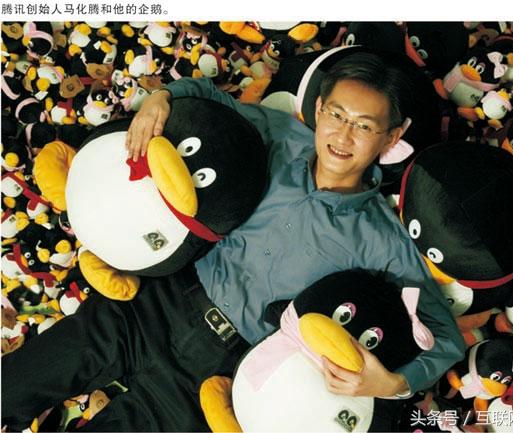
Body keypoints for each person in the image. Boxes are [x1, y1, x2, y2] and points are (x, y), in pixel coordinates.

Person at [2, 52, 465, 431]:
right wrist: (161, 98)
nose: (342, 136)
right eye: (337, 115)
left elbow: (445, 338)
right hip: (153, 306)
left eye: (364, 126)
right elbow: (206, 96)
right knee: (13, 385)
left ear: (392, 137)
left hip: (216, 377)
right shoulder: (282, 136)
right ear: (320, 109)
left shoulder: (383, 240)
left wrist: (393, 384)